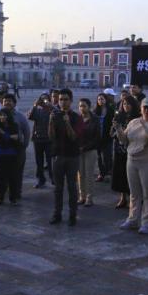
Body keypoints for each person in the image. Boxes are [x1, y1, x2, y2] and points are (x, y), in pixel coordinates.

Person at [118, 98, 148, 233]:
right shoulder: (133, 122)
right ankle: (132, 219)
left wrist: (145, 125)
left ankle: (147, 223)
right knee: (134, 193)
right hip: (132, 161)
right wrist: (119, 130)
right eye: (145, 107)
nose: (147, 110)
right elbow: (124, 140)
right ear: (141, 109)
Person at [49, 88, 82, 225]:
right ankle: (57, 214)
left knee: (72, 187)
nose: (62, 102)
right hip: (58, 156)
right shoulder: (55, 115)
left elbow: (74, 137)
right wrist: (50, 122)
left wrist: (67, 122)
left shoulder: (76, 117)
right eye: (60, 99)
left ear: (71, 101)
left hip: (72, 157)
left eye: (65, 99)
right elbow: (51, 137)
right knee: (58, 188)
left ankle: (72, 216)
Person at [0, 107, 22, 205]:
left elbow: (17, 137)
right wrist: (10, 137)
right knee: (0, 177)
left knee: (13, 177)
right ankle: (0, 197)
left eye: (4, 115)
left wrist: (4, 134)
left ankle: (13, 198)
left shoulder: (14, 125)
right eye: (1, 115)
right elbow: (1, 142)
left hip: (12, 155)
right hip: (1, 154)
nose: (2, 117)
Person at [111, 94, 136, 209]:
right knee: (120, 173)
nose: (126, 106)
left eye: (128, 104)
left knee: (131, 176)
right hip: (119, 150)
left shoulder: (136, 117)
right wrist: (115, 128)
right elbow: (111, 134)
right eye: (124, 104)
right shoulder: (119, 116)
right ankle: (122, 197)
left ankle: (133, 198)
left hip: (131, 150)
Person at [77, 98, 101, 206]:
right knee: (80, 174)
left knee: (89, 174)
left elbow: (97, 137)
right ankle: (82, 196)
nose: (82, 108)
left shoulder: (95, 119)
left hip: (90, 150)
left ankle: (89, 198)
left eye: (84, 106)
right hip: (79, 150)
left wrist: (86, 147)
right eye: (80, 106)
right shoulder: (77, 118)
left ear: (89, 107)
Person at [28, 93, 53, 188]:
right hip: (37, 138)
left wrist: (51, 106)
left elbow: (58, 114)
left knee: (50, 160)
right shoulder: (37, 109)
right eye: (42, 99)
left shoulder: (51, 109)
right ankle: (41, 179)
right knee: (39, 161)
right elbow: (30, 117)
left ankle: (53, 178)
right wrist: (34, 106)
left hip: (49, 139)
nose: (44, 101)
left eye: (46, 99)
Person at [95, 91, 115, 181]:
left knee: (107, 156)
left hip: (107, 137)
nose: (100, 101)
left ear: (105, 100)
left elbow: (113, 122)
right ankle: (101, 173)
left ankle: (109, 172)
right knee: (99, 157)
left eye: (102, 99)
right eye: (99, 99)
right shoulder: (95, 111)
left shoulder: (110, 110)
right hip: (98, 138)